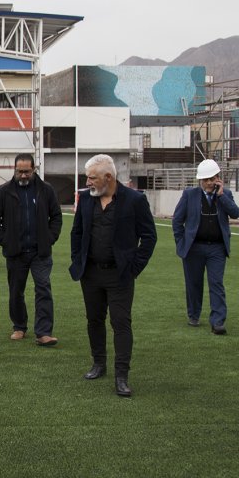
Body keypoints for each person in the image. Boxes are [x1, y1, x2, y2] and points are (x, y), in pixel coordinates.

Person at [70, 154, 157, 398]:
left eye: (92, 178)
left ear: (108, 177)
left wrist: (134, 267)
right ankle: (99, 363)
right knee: (94, 320)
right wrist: (78, 260)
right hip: (91, 273)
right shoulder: (86, 199)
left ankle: (121, 375)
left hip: (120, 275)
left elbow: (149, 237)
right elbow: (77, 233)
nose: (87, 182)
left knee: (121, 323)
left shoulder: (135, 200)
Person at [0, 153, 63, 346]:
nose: (23, 175)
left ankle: (44, 332)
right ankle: (19, 326)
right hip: (16, 252)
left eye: (26, 171)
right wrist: (4, 241)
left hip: (40, 252)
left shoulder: (46, 190)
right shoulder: (4, 191)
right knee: (16, 291)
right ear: (14, 170)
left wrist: (50, 238)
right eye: (19, 171)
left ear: (34, 170)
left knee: (43, 289)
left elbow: (56, 216)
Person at [172, 159, 239, 336]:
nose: (210, 183)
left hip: (217, 248)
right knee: (193, 283)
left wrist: (221, 196)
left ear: (218, 178)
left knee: (216, 283)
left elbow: (235, 213)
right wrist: (181, 243)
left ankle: (218, 322)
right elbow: (177, 220)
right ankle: (193, 314)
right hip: (193, 248)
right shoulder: (189, 195)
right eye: (206, 180)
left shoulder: (225, 194)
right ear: (200, 180)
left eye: (212, 179)